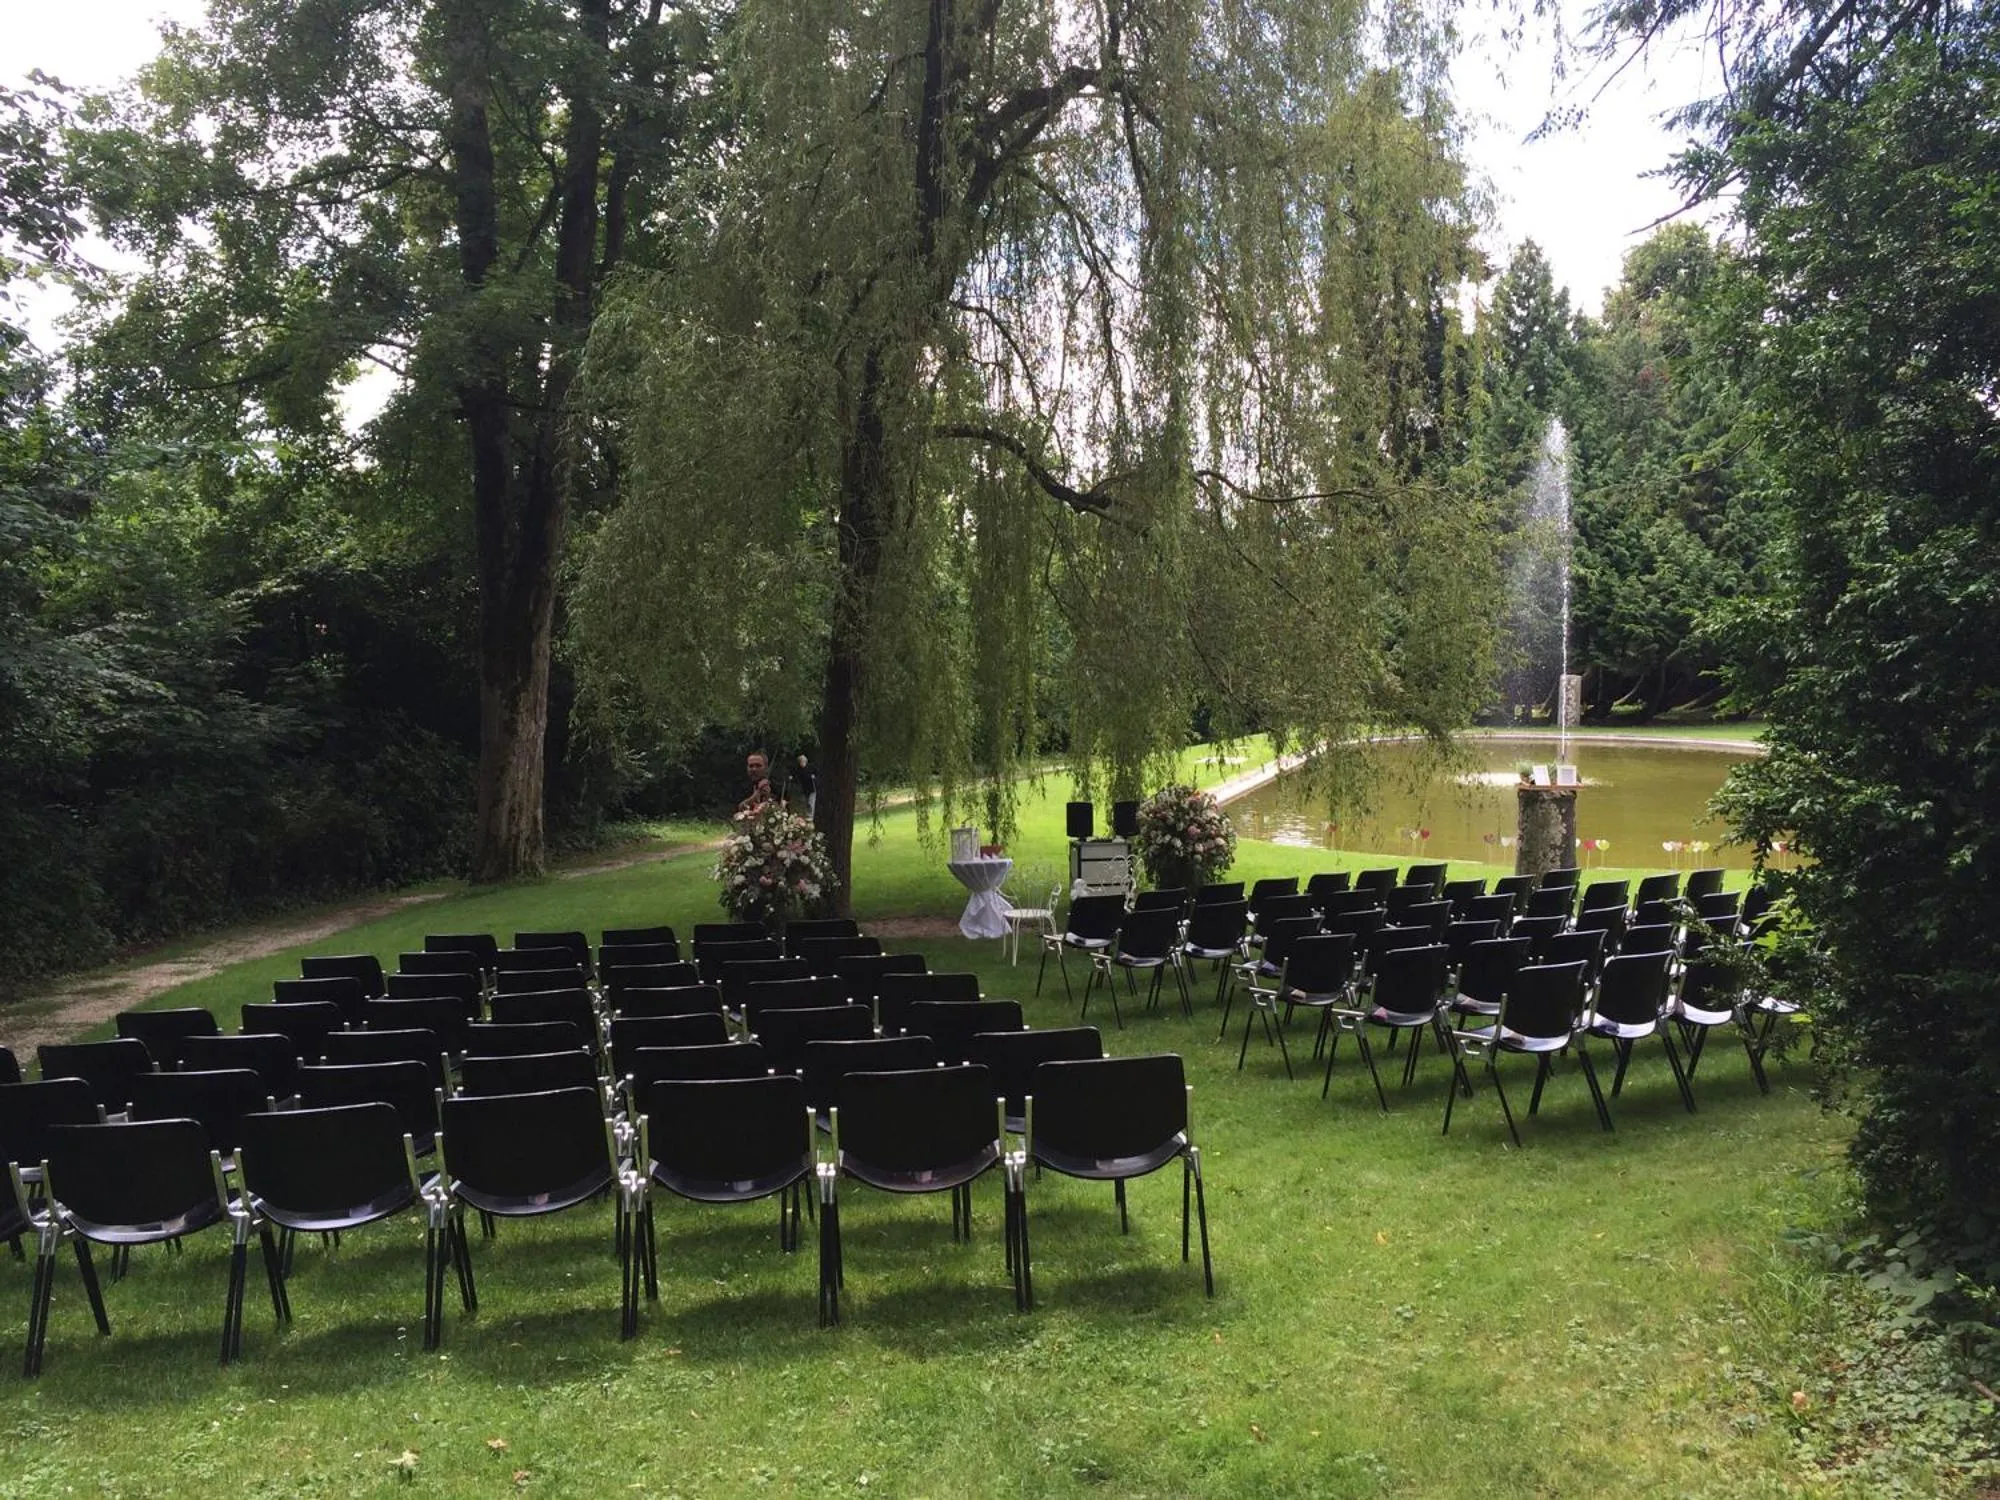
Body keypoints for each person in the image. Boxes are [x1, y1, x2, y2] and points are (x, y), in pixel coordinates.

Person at [737, 750, 775, 816]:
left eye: (758, 766)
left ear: (766, 768)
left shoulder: (777, 785)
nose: (754, 769)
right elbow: (739, 809)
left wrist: (768, 795)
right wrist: (756, 795)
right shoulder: (740, 784)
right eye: (751, 766)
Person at [792, 753, 817, 820]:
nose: (802, 763)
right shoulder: (799, 769)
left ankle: (810, 817)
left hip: (812, 788)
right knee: (804, 803)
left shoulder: (810, 767)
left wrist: (814, 776)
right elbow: (795, 776)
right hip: (804, 789)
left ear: (805, 761)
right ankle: (803, 816)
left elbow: (816, 773)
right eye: (800, 761)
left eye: (803, 761)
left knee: (811, 803)